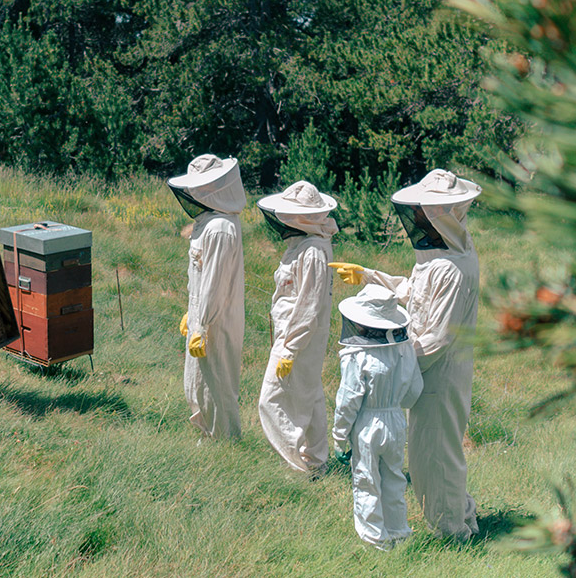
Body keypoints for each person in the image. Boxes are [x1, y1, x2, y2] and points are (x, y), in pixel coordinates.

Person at [330, 168, 482, 539]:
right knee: (434, 453)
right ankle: (464, 520)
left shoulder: (453, 268)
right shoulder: (438, 257)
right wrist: (368, 275)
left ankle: (452, 535)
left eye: (420, 212)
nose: (413, 219)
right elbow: (414, 292)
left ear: (438, 216)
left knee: (435, 459)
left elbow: (438, 337)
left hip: (440, 376)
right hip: (427, 372)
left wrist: (395, 364)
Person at [332, 284, 423, 549]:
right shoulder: (404, 349)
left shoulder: (356, 355)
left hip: (367, 423)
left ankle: (375, 541)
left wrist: (339, 437)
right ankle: (398, 533)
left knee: (366, 481)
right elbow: (414, 390)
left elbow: (348, 400)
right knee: (394, 479)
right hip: (396, 421)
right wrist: (395, 405)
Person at [257, 181, 337, 475]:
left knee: (271, 400)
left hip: (298, 339)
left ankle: (296, 467)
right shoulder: (304, 245)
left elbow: (308, 305)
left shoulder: (313, 251)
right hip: (299, 337)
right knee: (311, 392)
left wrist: (289, 348)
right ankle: (317, 461)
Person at [168, 154, 246, 439]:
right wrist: (193, 313)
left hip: (216, 321)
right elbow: (201, 279)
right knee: (199, 382)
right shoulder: (209, 222)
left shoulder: (221, 228)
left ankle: (226, 444)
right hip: (205, 316)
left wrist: (202, 324)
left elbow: (214, 283)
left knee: (216, 384)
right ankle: (209, 438)